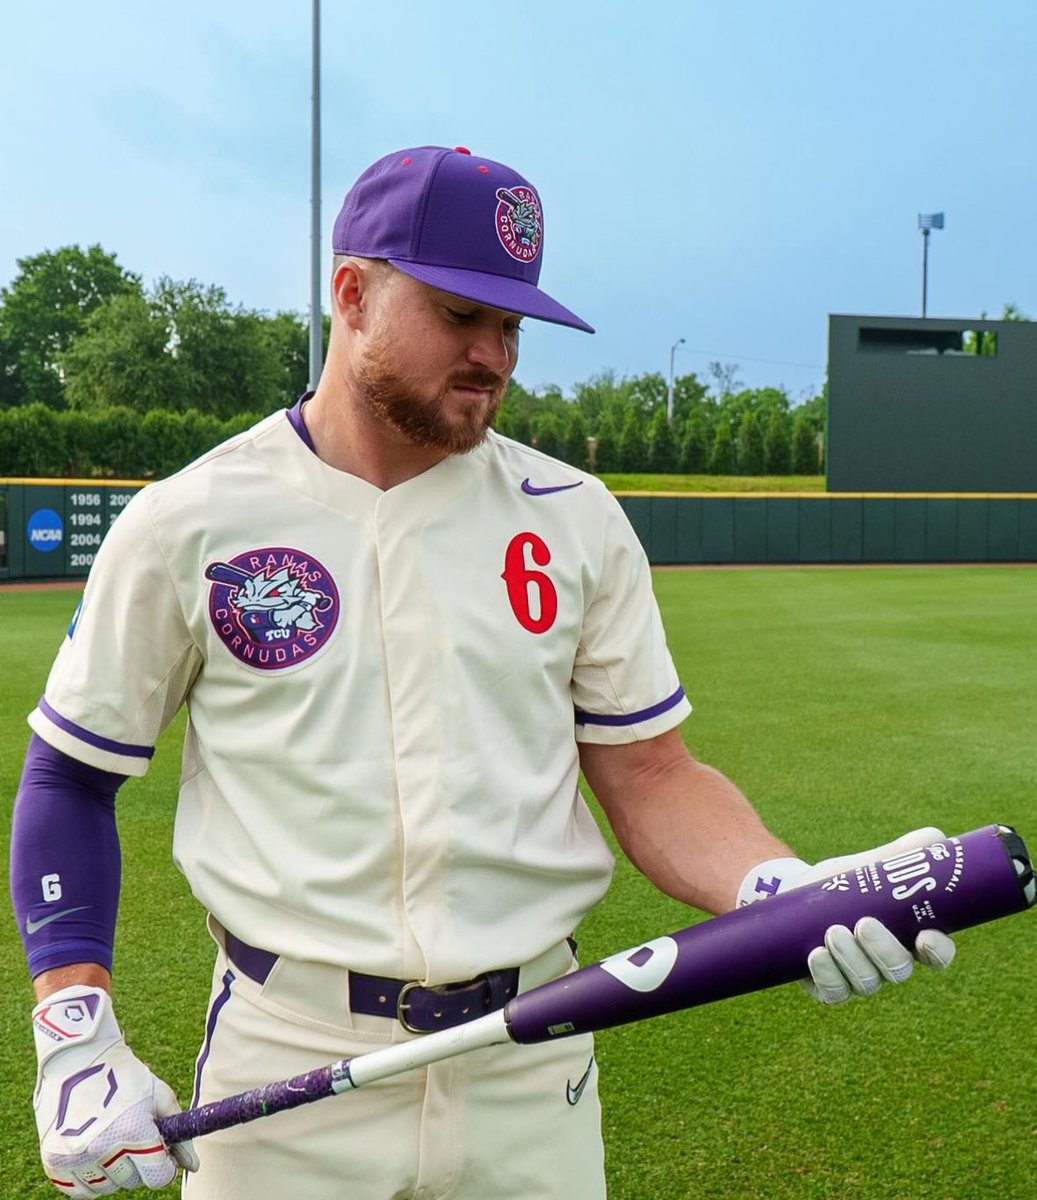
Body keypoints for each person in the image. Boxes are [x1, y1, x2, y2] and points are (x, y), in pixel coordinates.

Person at [10, 145, 956, 1200]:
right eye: (462, 313)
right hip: (287, 1066)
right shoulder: (189, 518)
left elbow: (651, 776)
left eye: (509, 326)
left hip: (532, 1053)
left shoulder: (575, 518)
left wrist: (779, 887)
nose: (495, 354)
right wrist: (73, 1029)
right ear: (352, 294)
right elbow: (69, 780)